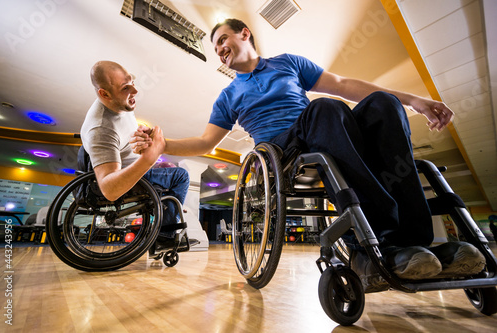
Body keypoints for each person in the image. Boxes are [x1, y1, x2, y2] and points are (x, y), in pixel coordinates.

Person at [131, 19, 485, 291]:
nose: (219, 49)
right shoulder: (228, 95)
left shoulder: (288, 63)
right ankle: (372, 245)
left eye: (222, 39)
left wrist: (412, 100)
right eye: (215, 47)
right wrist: (163, 145)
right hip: (282, 150)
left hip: (323, 128)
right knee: (325, 109)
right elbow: (206, 143)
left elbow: (345, 85)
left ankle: (416, 243)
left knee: (383, 105)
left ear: (244, 34)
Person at [81, 60, 191, 252]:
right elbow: (109, 188)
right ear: (104, 94)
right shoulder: (100, 128)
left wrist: (139, 139)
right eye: (126, 87)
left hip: (131, 164)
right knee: (181, 176)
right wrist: (148, 158)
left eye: (132, 82)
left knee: (169, 170)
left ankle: (166, 213)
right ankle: (165, 235)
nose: (135, 91)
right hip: (131, 178)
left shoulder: (118, 101)